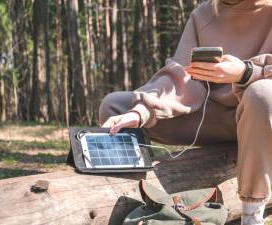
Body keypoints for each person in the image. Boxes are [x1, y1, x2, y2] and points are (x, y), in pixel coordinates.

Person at [99, 0, 272, 224]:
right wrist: (141, 111)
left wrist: (246, 73)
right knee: (115, 106)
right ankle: (135, 195)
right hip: (210, 119)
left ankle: (252, 215)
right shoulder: (204, 14)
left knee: (262, 95)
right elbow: (182, 76)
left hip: (261, 118)